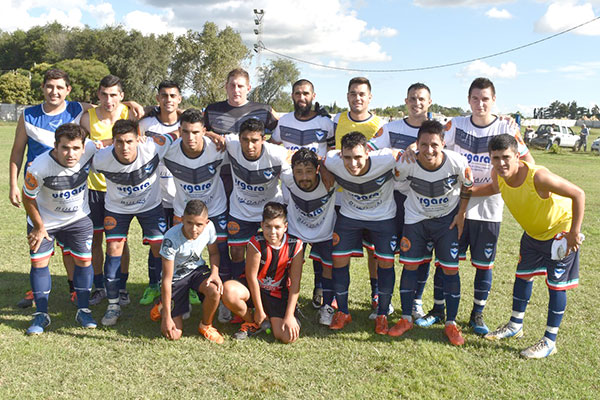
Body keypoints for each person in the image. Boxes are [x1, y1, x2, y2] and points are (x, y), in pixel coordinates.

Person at [9, 69, 142, 308]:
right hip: (45, 186)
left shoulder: (78, 109)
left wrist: (131, 103)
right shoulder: (32, 115)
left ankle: (96, 288)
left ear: (68, 90)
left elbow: (109, 104)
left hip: (91, 187)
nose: (54, 91)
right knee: (45, 238)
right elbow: (17, 151)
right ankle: (46, 289)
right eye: (50, 86)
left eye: (60, 87)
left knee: (96, 241)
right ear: (42, 88)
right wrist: (12, 184)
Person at [421, 77, 534, 335]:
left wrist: (510, 183)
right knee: (445, 261)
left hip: (489, 209)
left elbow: (528, 161)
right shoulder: (456, 124)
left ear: (494, 100)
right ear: (468, 100)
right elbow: (430, 143)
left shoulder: (505, 127)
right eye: (475, 98)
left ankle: (477, 314)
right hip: (455, 207)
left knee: (484, 265)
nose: (480, 104)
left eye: (485, 99)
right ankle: (438, 310)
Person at [479, 134, 584, 359]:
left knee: (556, 286)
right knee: (523, 277)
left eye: (506, 157)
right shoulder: (498, 175)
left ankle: (549, 341)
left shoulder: (538, 177)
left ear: (517, 156)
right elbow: (493, 189)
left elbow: (578, 194)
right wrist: (464, 192)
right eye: (495, 158)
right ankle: (515, 325)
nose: (501, 163)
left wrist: (574, 233)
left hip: (558, 234)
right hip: (532, 235)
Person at [203, 68, 279, 322]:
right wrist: (210, 134)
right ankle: (229, 292)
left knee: (263, 246)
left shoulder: (263, 110)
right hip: (223, 181)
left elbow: (280, 133)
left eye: (240, 86)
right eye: (232, 85)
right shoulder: (212, 110)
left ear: (248, 88)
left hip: (255, 181)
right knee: (227, 244)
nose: (236, 90)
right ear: (225, 86)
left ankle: (266, 293)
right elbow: (196, 131)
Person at [388, 120, 473, 346]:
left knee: (450, 269)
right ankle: (406, 319)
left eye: (434, 144)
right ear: (416, 144)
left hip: (446, 222)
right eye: (423, 144)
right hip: (416, 219)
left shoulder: (457, 161)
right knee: (410, 266)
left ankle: (451, 324)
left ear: (443, 144)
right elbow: (396, 182)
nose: (429, 150)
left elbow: (468, 185)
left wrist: (461, 213)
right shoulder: (407, 163)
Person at [92, 119, 176, 326]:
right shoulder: (101, 158)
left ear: (138, 139)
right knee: (114, 248)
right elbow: (77, 153)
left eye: (129, 141)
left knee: (159, 248)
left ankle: (165, 299)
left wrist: (211, 134)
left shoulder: (153, 146)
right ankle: (113, 304)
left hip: (150, 207)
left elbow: (177, 133)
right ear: (113, 142)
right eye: (119, 142)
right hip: (117, 209)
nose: (125, 147)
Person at [22, 123, 99, 334]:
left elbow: (106, 143)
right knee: (39, 263)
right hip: (44, 222)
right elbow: (27, 198)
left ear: (84, 147)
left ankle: (83, 310)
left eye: (76, 148)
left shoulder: (90, 149)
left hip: (78, 219)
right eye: (65, 147)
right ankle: (41, 315)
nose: (70, 154)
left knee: (84, 261)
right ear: (55, 146)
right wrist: (39, 227)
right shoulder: (39, 167)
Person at [368, 82, 435, 322]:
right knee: (384, 252)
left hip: (424, 200)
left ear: (429, 102)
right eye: (412, 98)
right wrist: (396, 154)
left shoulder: (439, 129)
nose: (417, 103)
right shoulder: (391, 128)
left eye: (421, 99)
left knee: (422, 254)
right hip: (392, 198)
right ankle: (380, 299)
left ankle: (416, 301)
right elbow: (368, 150)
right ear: (406, 101)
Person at [324, 132, 398, 333]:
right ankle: (343, 312)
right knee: (338, 259)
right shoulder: (334, 161)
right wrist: (324, 170)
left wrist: (410, 149)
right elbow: (323, 159)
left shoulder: (386, 159)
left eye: (358, 157)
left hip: (383, 217)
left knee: (386, 262)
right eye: (347, 157)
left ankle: (382, 314)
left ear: (367, 153)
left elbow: (405, 155)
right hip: (351, 216)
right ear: (341, 154)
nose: (353, 163)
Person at [271, 79, 335, 309]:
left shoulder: (325, 123)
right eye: (297, 93)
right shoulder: (284, 121)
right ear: (292, 95)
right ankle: (286, 295)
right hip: (292, 189)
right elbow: (273, 146)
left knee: (321, 247)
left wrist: (323, 167)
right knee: (293, 249)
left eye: (306, 93)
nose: (302, 97)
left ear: (313, 96)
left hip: (318, 186)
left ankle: (320, 289)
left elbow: (334, 151)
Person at [80, 75, 137, 307]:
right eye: (104, 94)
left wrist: (102, 143)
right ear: (98, 95)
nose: (109, 99)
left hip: (121, 189)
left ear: (121, 96)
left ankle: (122, 288)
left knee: (120, 240)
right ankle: (99, 287)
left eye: (114, 94)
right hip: (94, 188)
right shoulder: (88, 117)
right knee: (95, 239)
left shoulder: (130, 114)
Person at [160, 108, 229, 299]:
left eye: (196, 132)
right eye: (186, 132)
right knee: (180, 253)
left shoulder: (218, 147)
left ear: (204, 131)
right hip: (184, 211)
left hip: (215, 209)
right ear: (179, 131)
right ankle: (180, 294)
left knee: (221, 251)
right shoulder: (169, 150)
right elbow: (146, 145)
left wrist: (215, 136)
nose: (191, 137)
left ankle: (222, 296)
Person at [333, 77, 387, 317]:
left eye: (362, 94)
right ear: (347, 96)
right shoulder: (336, 120)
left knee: (374, 251)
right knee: (337, 250)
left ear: (370, 97)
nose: (357, 98)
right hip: (341, 197)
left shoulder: (380, 124)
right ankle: (335, 297)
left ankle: (375, 293)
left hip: (372, 198)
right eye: (353, 93)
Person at [222, 202, 304, 343]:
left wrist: (289, 315)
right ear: (262, 225)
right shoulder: (256, 242)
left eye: (277, 227)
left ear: (285, 227)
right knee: (228, 290)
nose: (272, 232)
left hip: (277, 294)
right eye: (268, 226)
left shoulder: (295, 245)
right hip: (255, 290)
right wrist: (259, 310)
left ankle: (276, 318)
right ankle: (252, 322)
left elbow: (295, 282)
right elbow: (251, 278)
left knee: (287, 337)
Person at [137, 80, 183, 306]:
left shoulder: (187, 123)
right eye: (164, 95)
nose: (168, 100)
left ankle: (183, 284)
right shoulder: (145, 124)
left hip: (181, 197)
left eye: (173, 96)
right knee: (157, 243)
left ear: (179, 99)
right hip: (154, 196)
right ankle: (154, 284)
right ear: (157, 99)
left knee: (183, 241)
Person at [280, 148, 337, 325]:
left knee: (329, 268)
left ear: (317, 170)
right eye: (299, 172)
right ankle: (289, 306)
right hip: (296, 231)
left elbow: (336, 157)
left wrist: (322, 164)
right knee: (289, 269)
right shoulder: (287, 178)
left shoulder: (330, 180)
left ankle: (327, 307)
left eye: (309, 171)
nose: (304, 177)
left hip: (325, 233)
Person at [157, 200, 224, 343]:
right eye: (189, 223)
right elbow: (167, 279)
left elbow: (214, 253)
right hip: (176, 278)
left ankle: (206, 325)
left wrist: (214, 274)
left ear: (206, 223)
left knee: (214, 289)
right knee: (174, 335)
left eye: (199, 224)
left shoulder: (210, 227)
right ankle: (162, 307)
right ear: (182, 219)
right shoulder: (171, 238)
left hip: (196, 271)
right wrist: (166, 317)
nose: (194, 229)